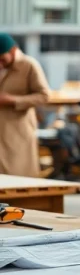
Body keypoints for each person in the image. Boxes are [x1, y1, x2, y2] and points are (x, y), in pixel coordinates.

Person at [0, 33, 52, 177]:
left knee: (20, 178)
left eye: (2, 59)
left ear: (13, 50)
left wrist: (12, 100)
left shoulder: (29, 65)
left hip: (18, 133)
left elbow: (44, 96)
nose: (0, 64)